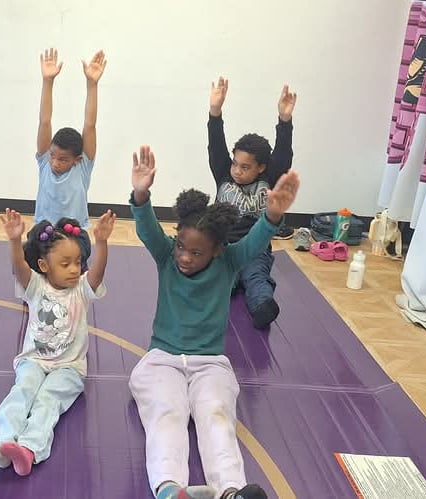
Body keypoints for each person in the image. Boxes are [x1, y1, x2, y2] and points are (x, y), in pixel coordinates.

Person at [128, 145, 300, 499]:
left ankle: (231, 491)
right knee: (167, 414)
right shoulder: (167, 257)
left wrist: (272, 216)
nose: (185, 258)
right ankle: (169, 487)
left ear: (217, 250)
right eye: (181, 248)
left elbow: (255, 243)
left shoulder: (229, 261)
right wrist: (142, 194)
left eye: (196, 252)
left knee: (217, 416)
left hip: (210, 365)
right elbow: (147, 230)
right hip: (162, 360)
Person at [0, 209, 115, 475]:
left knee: (48, 400)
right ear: (44, 266)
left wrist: (101, 242)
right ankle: (6, 442)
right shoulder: (36, 286)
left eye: (78, 262)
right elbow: (20, 269)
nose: (74, 269)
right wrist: (13, 241)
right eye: (65, 264)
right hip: (33, 360)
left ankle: (30, 450)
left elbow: (97, 274)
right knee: (22, 391)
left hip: (69, 368)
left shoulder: (81, 289)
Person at [207, 77, 297, 328]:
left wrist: (284, 121)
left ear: (261, 168)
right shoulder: (224, 174)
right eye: (235, 163)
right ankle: (215, 298)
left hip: (255, 247)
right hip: (223, 246)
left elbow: (283, 154)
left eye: (245, 167)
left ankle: (262, 306)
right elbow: (215, 145)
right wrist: (215, 112)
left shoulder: (269, 178)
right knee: (221, 277)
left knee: (256, 276)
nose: (236, 170)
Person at [33, 47, 107, 266]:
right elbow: (44, 121)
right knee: (35, 283)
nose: (55, 162)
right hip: (44, 232)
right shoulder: (45, 162)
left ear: (77, 159)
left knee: (73, 285)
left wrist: (92, 85)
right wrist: (48, 82)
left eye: (63, 159)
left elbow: (90, 124)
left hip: (74, 236)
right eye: (53, 156)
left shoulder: (82, 168)